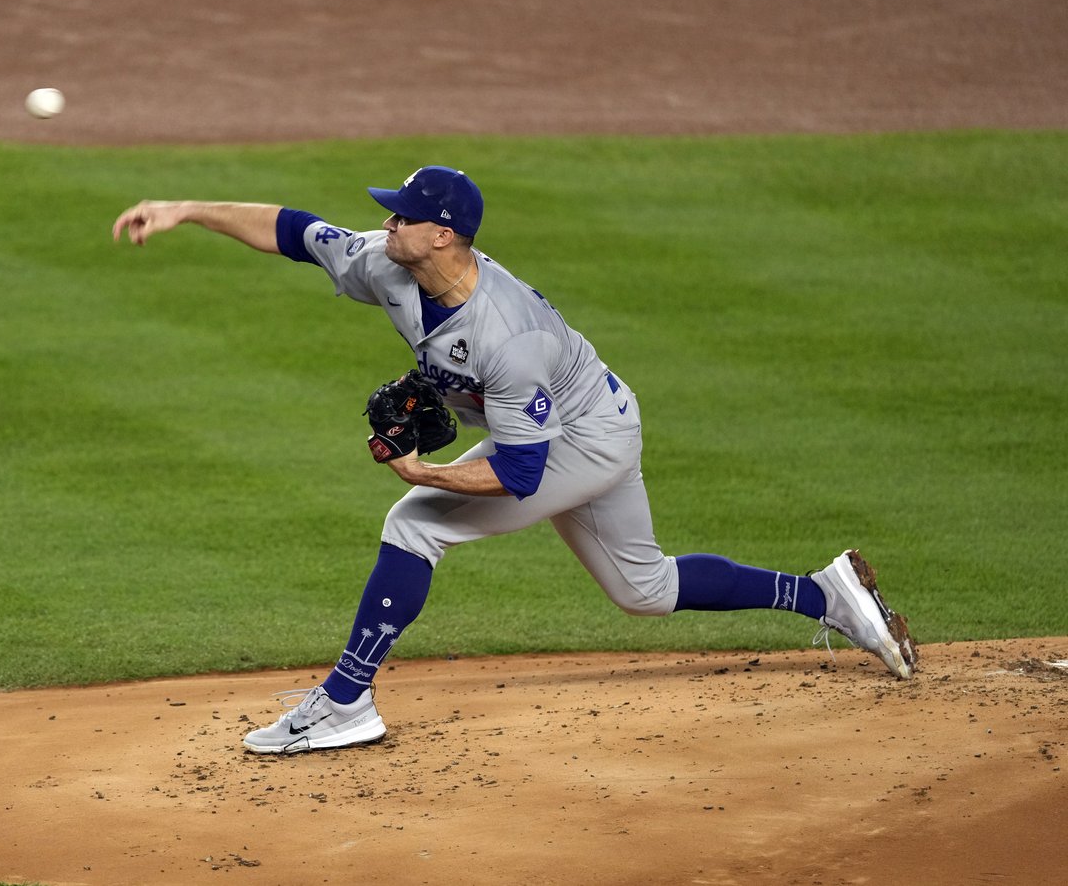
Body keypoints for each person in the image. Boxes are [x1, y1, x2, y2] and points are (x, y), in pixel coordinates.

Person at [112, 165, 918, 755]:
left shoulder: (509, 333)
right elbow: (294, 229)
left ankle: (345, 700)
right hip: (572, 419)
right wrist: (185, 208)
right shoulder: (391, 263)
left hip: (583, 438)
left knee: (415, 523)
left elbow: (520, 475)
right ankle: (823, 594)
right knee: (644, 588)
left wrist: (430, 474)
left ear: (443, 235)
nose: (385, 226)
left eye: (400, 218)